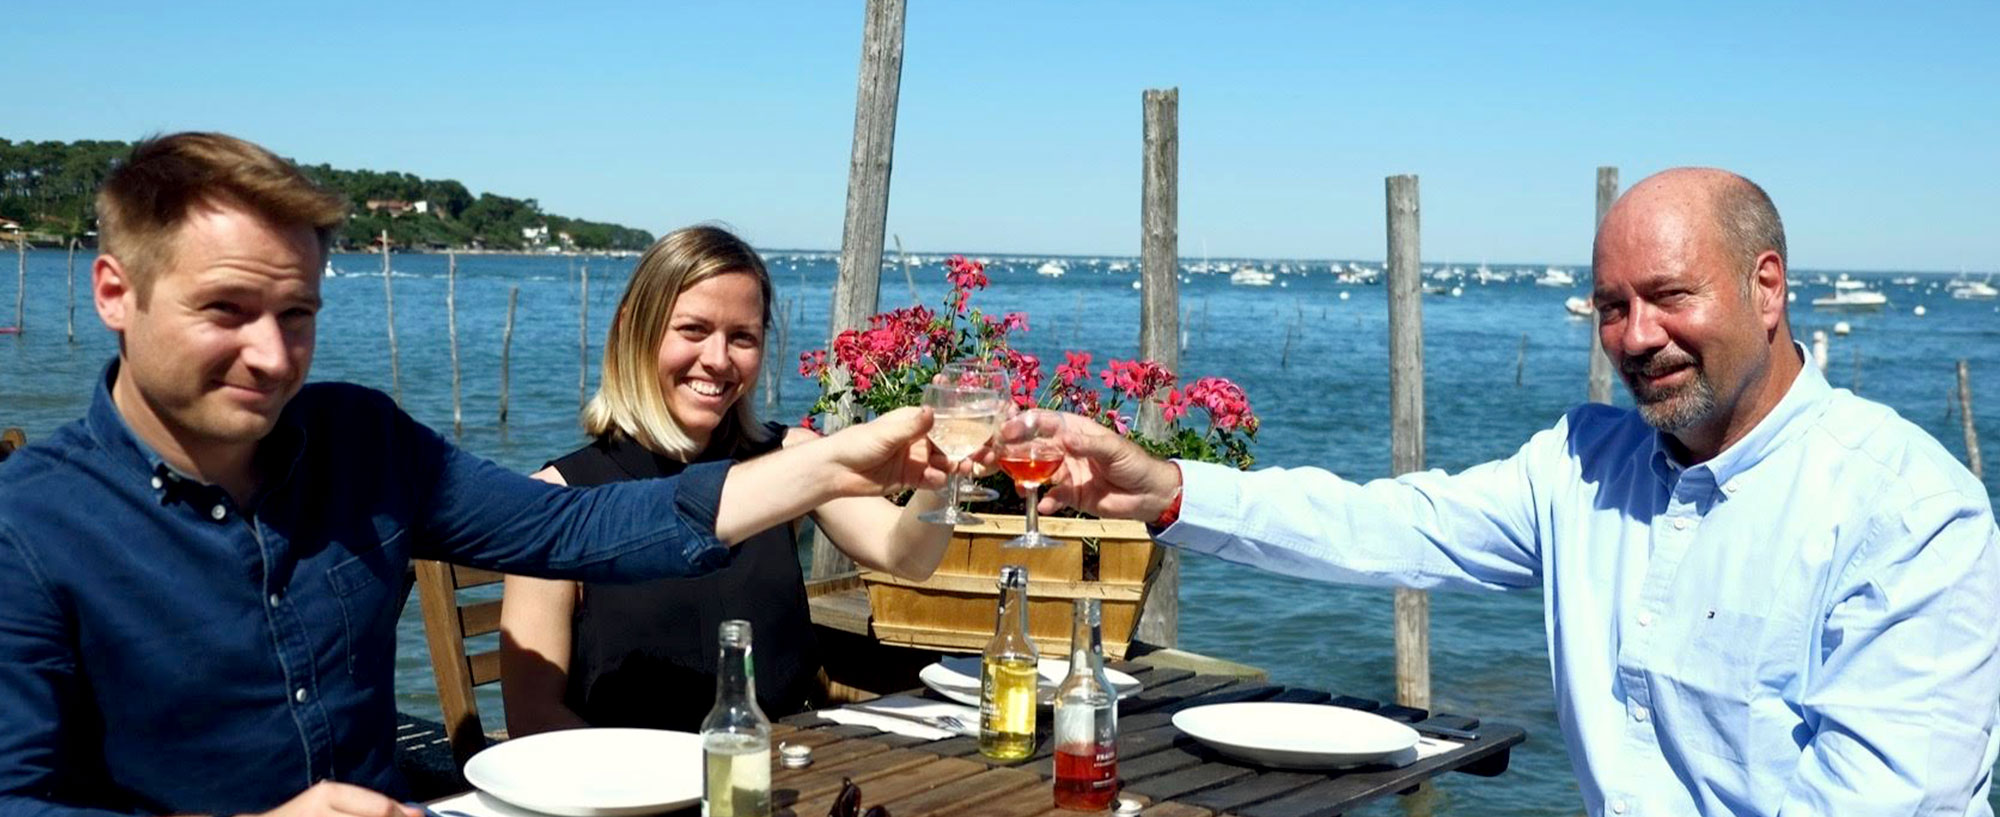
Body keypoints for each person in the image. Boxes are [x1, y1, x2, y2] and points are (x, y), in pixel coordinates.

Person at [0, 133, 949, 817]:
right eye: (227, 308)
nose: (272, 354)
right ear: (114, 292)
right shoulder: (30, 530)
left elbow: (577, 529)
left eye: (296, 314)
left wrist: (829, 460)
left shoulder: (360, 442)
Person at [1026, 168, 2000, 816]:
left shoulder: (1906, 517)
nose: (1633, 335)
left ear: (1766, 285)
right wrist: (1168, 491)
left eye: (1668, 296)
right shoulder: (1585, 461)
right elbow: (1388, 528)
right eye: (1610, 307)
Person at [498, 226, 952, 736]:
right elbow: (533, 720)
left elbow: (907, 555)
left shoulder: (791, 459)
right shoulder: (557, 500)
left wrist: (946, 466)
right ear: (631, 329)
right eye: (692, 330)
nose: (718, 359)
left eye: (743, 338)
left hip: (792, 772)